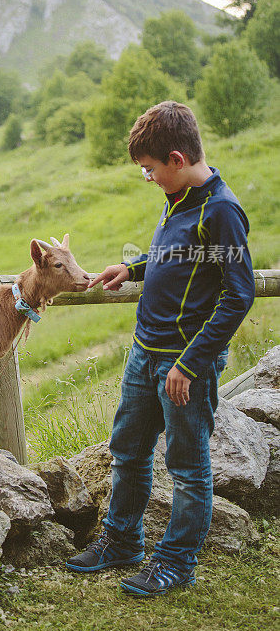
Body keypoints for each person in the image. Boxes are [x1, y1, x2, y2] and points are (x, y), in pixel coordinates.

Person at [66, 101, 255, 596]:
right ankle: (122, 542)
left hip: (183, 365)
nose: (147, 178)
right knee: (127, 452)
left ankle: (176, 563)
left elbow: (239, 295)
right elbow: (175, 254)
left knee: (188, 468)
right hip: (143, 352)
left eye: (150, 169)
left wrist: (190, 364)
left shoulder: (222, 211)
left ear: (176, 157)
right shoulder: (179, 197)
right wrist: (132, 268)